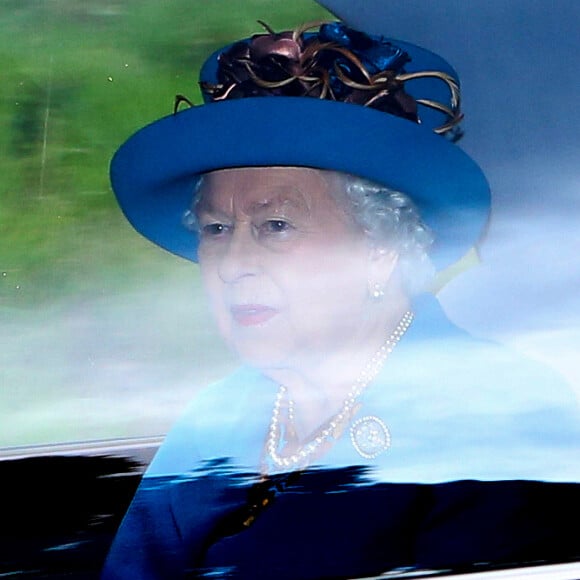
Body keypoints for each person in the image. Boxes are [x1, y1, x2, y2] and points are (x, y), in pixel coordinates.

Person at [102, 20, 580, 580]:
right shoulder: (217, 416)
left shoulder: (499, 415)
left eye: (276, 225)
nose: (233, 265)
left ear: (380, 245)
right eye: (215, 229)